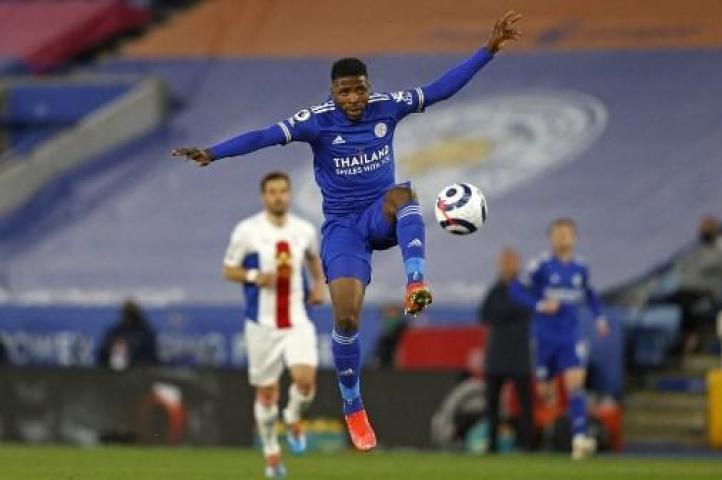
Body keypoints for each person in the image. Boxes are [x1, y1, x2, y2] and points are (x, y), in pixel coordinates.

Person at [172, 11, 522, 451]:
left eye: (359, 89)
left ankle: (417, 281)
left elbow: (439, 89)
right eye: (345, 91)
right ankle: (353, 404)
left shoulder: (386, 108)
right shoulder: (316, 122)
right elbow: (264, 135)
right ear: (333, 93)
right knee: (346, 317)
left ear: (368, 88)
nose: (354, 98)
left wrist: (487, 50)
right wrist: (214, 153)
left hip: (380, 214)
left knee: (404, 195)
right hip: (343, 230)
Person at [221, 171, 325, 478]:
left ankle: (293, 417)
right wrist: (254, 277)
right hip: (262, 324)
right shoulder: (248, 231)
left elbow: (312, 258)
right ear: (264, 196)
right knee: (267, 394)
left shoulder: (304, 229)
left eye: (283, 191)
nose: (278, 196)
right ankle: (271, 452)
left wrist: (318, 284)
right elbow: (228, 269)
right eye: (272, 192)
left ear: (289, 194)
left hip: (296, 319)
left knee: (305, 381)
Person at [510, 218, 609, 460]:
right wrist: (540, 304)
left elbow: (590, 294)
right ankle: (546, 439)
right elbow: (515, 289)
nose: (563, 238)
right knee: (546, 393)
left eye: (567, 234)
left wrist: (600, 317)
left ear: (574, 238)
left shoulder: (580, 268)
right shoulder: (541, 266)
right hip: (544, 337)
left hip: (570, 336)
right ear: (551, 239)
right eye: (558, 234)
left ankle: (579, 439)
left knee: (575, 383)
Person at [479, 247, 534, 453]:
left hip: (519, 354)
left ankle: (528, 444)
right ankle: (491, 444)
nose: (508, 265)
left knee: (524, 403)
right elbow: (484, 315)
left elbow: (524, 310)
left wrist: (504, 314)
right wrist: (509, 313)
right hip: (497, 354)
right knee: (492, 403)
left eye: (512, 261)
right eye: (505, 261)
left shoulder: (525, 289)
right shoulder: (495, 291)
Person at [668, 216, 722, 354]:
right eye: (703, 227)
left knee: (688, 305)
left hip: (708, 295)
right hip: (685, 292)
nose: (705, 230)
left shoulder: (721, 255)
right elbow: (681, 272)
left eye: (709, 227)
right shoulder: (691, 252)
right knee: (674, 301)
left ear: (715, 231)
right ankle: (682, 341)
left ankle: (686, 342)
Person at [98, 300, 158, 370]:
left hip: (138, 371)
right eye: (127, 314)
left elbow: (151, 358)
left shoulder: (145, 334)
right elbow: (103, 355)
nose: (129, 318)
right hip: (114, 372)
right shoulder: (115, 332)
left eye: (131, 315)